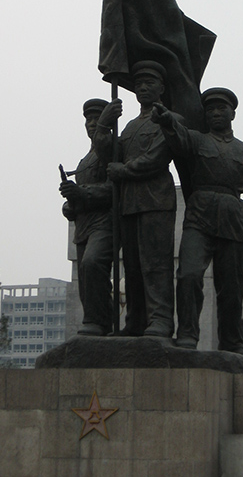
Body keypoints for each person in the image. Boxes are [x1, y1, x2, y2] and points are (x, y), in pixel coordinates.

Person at [152, 87, 243, 358]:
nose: (216, 113)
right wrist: (167, 120)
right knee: (189, 275)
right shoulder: (197, 141)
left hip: (233, 222)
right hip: (199, 217)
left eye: (221, 109)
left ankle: (232, 342)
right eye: (211, 109)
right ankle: (188, 334)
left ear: (232, 114)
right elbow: (179, 140)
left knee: (231, 288)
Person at [94, 61, 178, 337]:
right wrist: (104, 128)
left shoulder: (169, 119)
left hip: (155, 200)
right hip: (129, 203)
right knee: (132, 266)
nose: (142, 87)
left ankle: (161, 319)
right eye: (139, 84)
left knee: (155, 263)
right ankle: (136, 320)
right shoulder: (129, 126)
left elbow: (157, 158)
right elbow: (110, 156)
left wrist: (124, 170)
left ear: (162, 88)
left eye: (149, 83)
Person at [59, 98, 113, 336]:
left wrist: (81, 193)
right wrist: (70, 204)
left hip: (105, 222)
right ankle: (94, 321)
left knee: (93, 264)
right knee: (84, 278)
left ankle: (101, 321)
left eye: (96, 119)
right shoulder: (84, 161)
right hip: (83, 226)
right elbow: (78, 200)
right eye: (88, 120)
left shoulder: (113, 149)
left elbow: (115, 189)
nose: (91, 123)